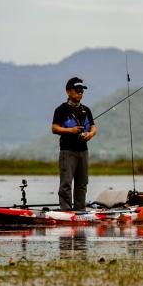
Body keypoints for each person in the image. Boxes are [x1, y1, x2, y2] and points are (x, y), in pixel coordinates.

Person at [51, 77, 97, 211]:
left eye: (82, 91)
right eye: (77, 90)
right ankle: (65, 210)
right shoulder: (61, 109)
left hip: (83, 150)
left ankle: (80, 210)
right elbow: (54, 128)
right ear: (68, 92)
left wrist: (90, 134)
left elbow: (93, 127)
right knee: (66, 183)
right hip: (67, 151)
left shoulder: (86, 110)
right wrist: (70, 130)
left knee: (82, 183)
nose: (80, 93)